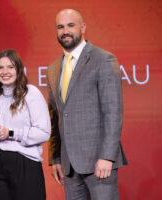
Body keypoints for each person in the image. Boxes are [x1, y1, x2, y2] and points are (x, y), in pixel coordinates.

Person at [47, 9, 128, 200]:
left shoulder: (103, 59)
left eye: (70, 25)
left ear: (83, 27)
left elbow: (113, 112)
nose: (65, 31)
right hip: (69, 166)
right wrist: (55, 158)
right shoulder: (53, 68)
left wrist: (107, 156)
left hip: (99, 162)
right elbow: (56, 117)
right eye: (60, 27)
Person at [0, 49, 51, 200]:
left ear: (18, 69)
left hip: (24, 163)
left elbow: (43, 132)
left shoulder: (31, 93)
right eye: (0, 67)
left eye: (10, 67)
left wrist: (10, 133)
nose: (5, 71)